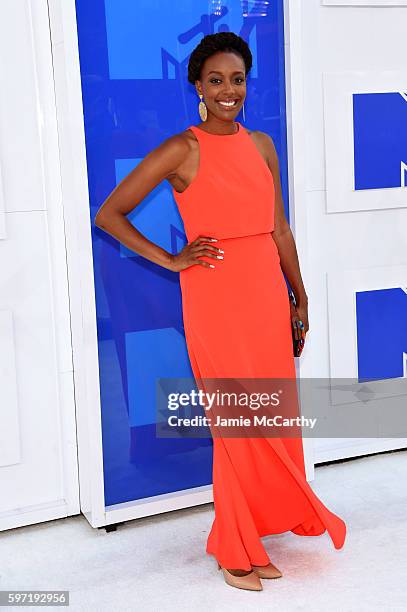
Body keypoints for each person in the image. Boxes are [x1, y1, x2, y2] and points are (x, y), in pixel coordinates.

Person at [95, 32, 346, 592]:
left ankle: (253, 530)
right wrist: (171, 258)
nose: (228, 90)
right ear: (197, 88)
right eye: (216, 80)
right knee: (235, 422)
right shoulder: (181, 149)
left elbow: (278, 228)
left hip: (264, 294)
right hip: (215, 298)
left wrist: (298, 294)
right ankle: (234, 547)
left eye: (237, 79)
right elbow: (110, 214)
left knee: (270, 416)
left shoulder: (261, 145)